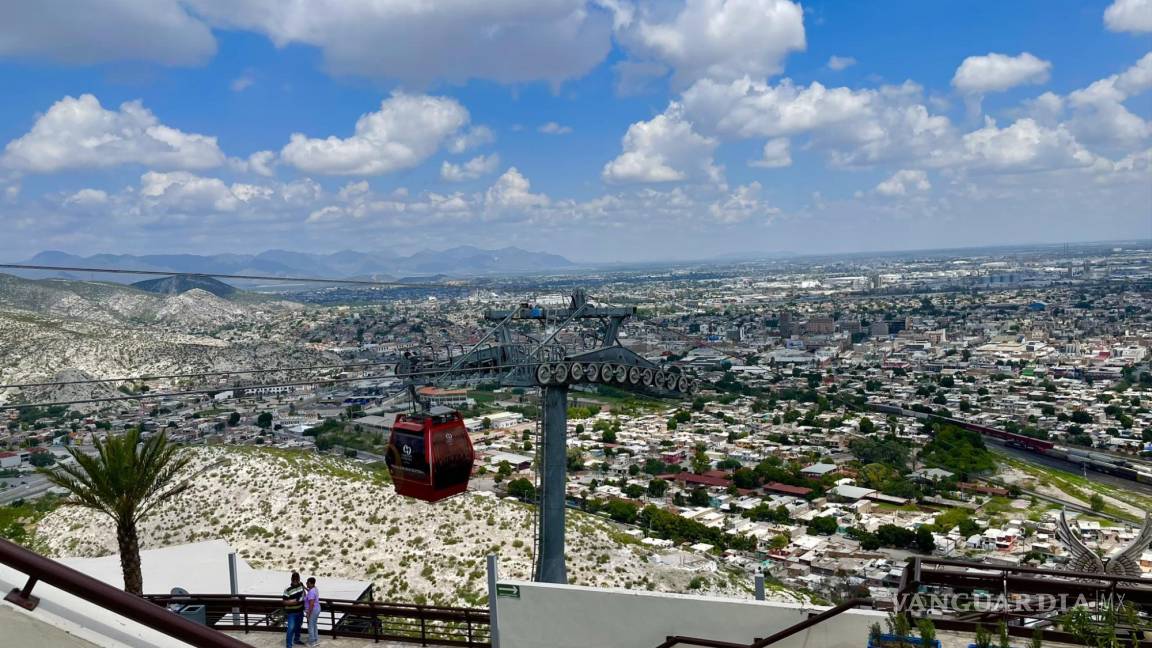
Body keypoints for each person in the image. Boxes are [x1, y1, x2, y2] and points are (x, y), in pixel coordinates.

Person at [283, 571, 306, 648]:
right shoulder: (287, 589)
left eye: (297, 580)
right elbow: (284, 602)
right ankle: (289, 645)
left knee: (298, 626)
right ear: (292, 580)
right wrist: (293, 603)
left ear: (299, 579)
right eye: (294, 580)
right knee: (291, 628)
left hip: (300, 611)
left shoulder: (301, 585)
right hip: (291, 613)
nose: (296, 581)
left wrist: (304, 599)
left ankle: (296, 639)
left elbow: (304, 593)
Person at [304, 577, 321, 646]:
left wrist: (308, 613)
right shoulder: (315, 589)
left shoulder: (311, 592)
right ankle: (316, 639)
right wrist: (304, 588)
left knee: (310, 626)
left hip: (313, 610)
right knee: (314, 625)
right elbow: (309, 591)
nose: (306, 584)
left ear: (310, 583)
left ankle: (312, 643)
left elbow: (311, 604)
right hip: (317, 609)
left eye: (307, 583)